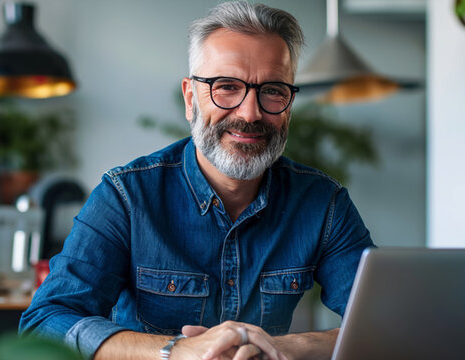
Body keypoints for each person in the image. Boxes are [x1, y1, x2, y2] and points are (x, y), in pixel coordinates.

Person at [19, 2, 374, 359]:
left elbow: (387, 326)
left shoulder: (323, 202)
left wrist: (283, 347)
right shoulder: (127, 197)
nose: (250, 113)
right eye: (227, 87)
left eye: (273, 91)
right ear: (191, 99)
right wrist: (178, 351)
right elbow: (45, 321)